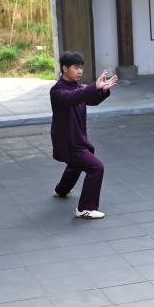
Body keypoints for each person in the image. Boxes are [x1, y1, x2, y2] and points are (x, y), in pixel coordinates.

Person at [50, 51, 118, 220]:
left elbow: (90, 99)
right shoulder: (57, 91)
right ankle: (85, 208)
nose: (80, 71)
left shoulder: (78, 87)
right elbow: (72, 98)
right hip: (67, 141)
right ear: (64, 68)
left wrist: (102, 90)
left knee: (76, 163)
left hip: (78, 139)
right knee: (96, 167)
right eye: (76, 68)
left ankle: (61, 190)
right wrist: (93, 87)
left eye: (81, 68)